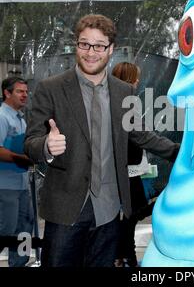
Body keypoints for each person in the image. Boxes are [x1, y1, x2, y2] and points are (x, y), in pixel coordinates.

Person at [24, 14, 179, 267]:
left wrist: (179, 153)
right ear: (76, 45)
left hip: (108, 211)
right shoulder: (50, 88)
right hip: (66, 210)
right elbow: (31, 142)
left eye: (99, 45)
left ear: (111, 49)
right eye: (84, 44)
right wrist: (46, 147)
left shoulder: (124, 91)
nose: (90, 52)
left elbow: (141, 134)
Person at [112, 62, 154, 267]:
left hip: (129, 171)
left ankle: (123, 256)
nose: (138, 81)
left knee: (131, 216)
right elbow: (141, 136)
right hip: (125, 173)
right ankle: (125, 257)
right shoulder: (126, 105)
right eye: (135, 77)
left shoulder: (121, 102)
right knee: (129, 218)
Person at [0, 77, 34, 267]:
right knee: (6, 230)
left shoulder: (20, 119)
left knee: (24, 229)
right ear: (7, 93)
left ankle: (19, 264)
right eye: (20, 91)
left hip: (21, 186)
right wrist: (24, 159)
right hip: (5, 187)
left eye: (26, 92)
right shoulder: (2, 117)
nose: (25, 95)